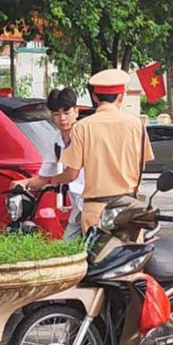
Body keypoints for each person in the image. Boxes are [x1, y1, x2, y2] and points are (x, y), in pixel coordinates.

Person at [50, 68, 153, 233]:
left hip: (96, 212)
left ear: (95, 97)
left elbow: (72, 174)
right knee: (130, 256)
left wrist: (52, 180)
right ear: (121, 96)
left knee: (95, 257)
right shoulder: (137, 125)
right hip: (128, 209)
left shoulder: (81, 127)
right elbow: (141, 167)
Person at [15, 88, 86, 238]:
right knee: (69, 248)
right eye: (56, 114)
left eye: (66, 113)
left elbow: (71, 174)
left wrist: (53, 180)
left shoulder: (86, 135)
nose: (62, 118)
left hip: (96, 203)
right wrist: (24, 183)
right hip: (78, 207)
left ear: (76, 112)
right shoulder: (56, 142)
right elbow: (43, 177)